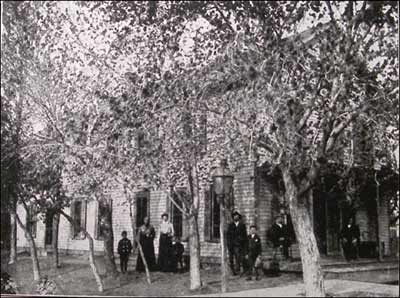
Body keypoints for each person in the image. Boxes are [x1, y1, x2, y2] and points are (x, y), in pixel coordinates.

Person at [227, 210, 248, 276]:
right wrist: (229, 243)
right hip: (231, 244)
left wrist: (241, 241)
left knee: (238, 257)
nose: (235, 217)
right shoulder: (231, 225)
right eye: (234, 216)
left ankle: (238, 270)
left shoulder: (242, 225)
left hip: (238, 244)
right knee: (231, 258)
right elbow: (228, 235)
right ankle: (232, 271)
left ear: (239, 217)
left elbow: (244, 235)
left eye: (237, 216)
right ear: (233, 217)